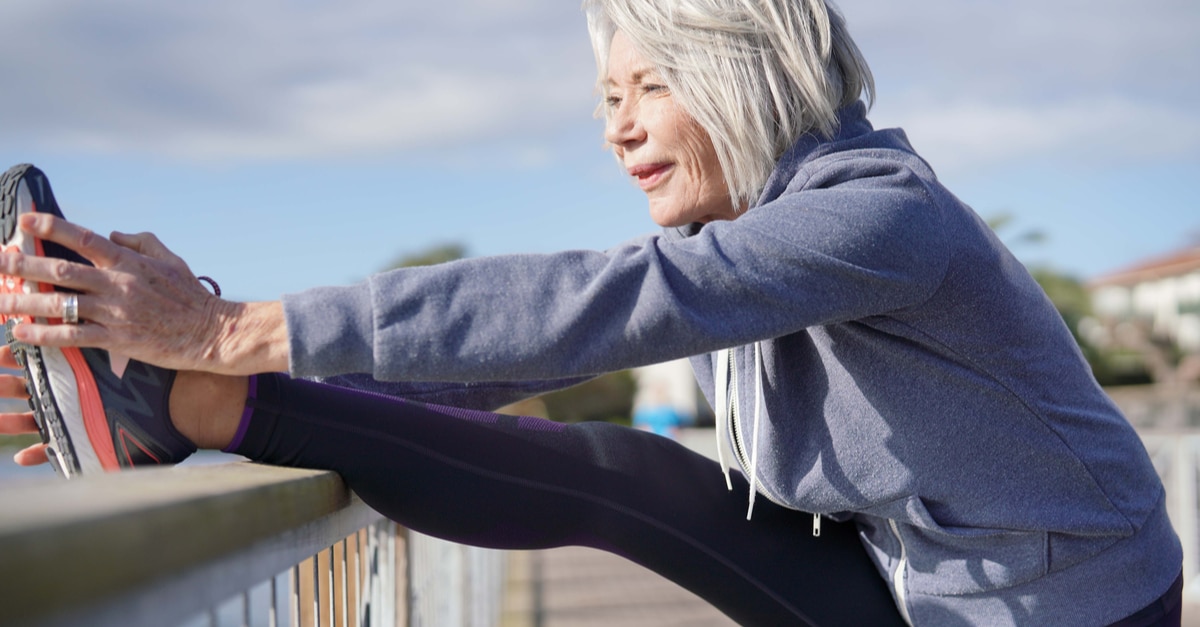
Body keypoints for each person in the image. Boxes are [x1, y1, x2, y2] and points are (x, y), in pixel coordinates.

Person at [0, 0, 1183, 624]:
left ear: (744, 69)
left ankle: (207, 400)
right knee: (630, 474)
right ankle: (204, 412)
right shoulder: (767, 234)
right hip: (928, 587)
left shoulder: (881, 217)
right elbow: (491, 364)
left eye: (648, 86)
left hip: (1062, 617)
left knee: (629, 474)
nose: (615, 126)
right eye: (606, 95)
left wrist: (224, 332)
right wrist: (238, 376)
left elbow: (606, 306)